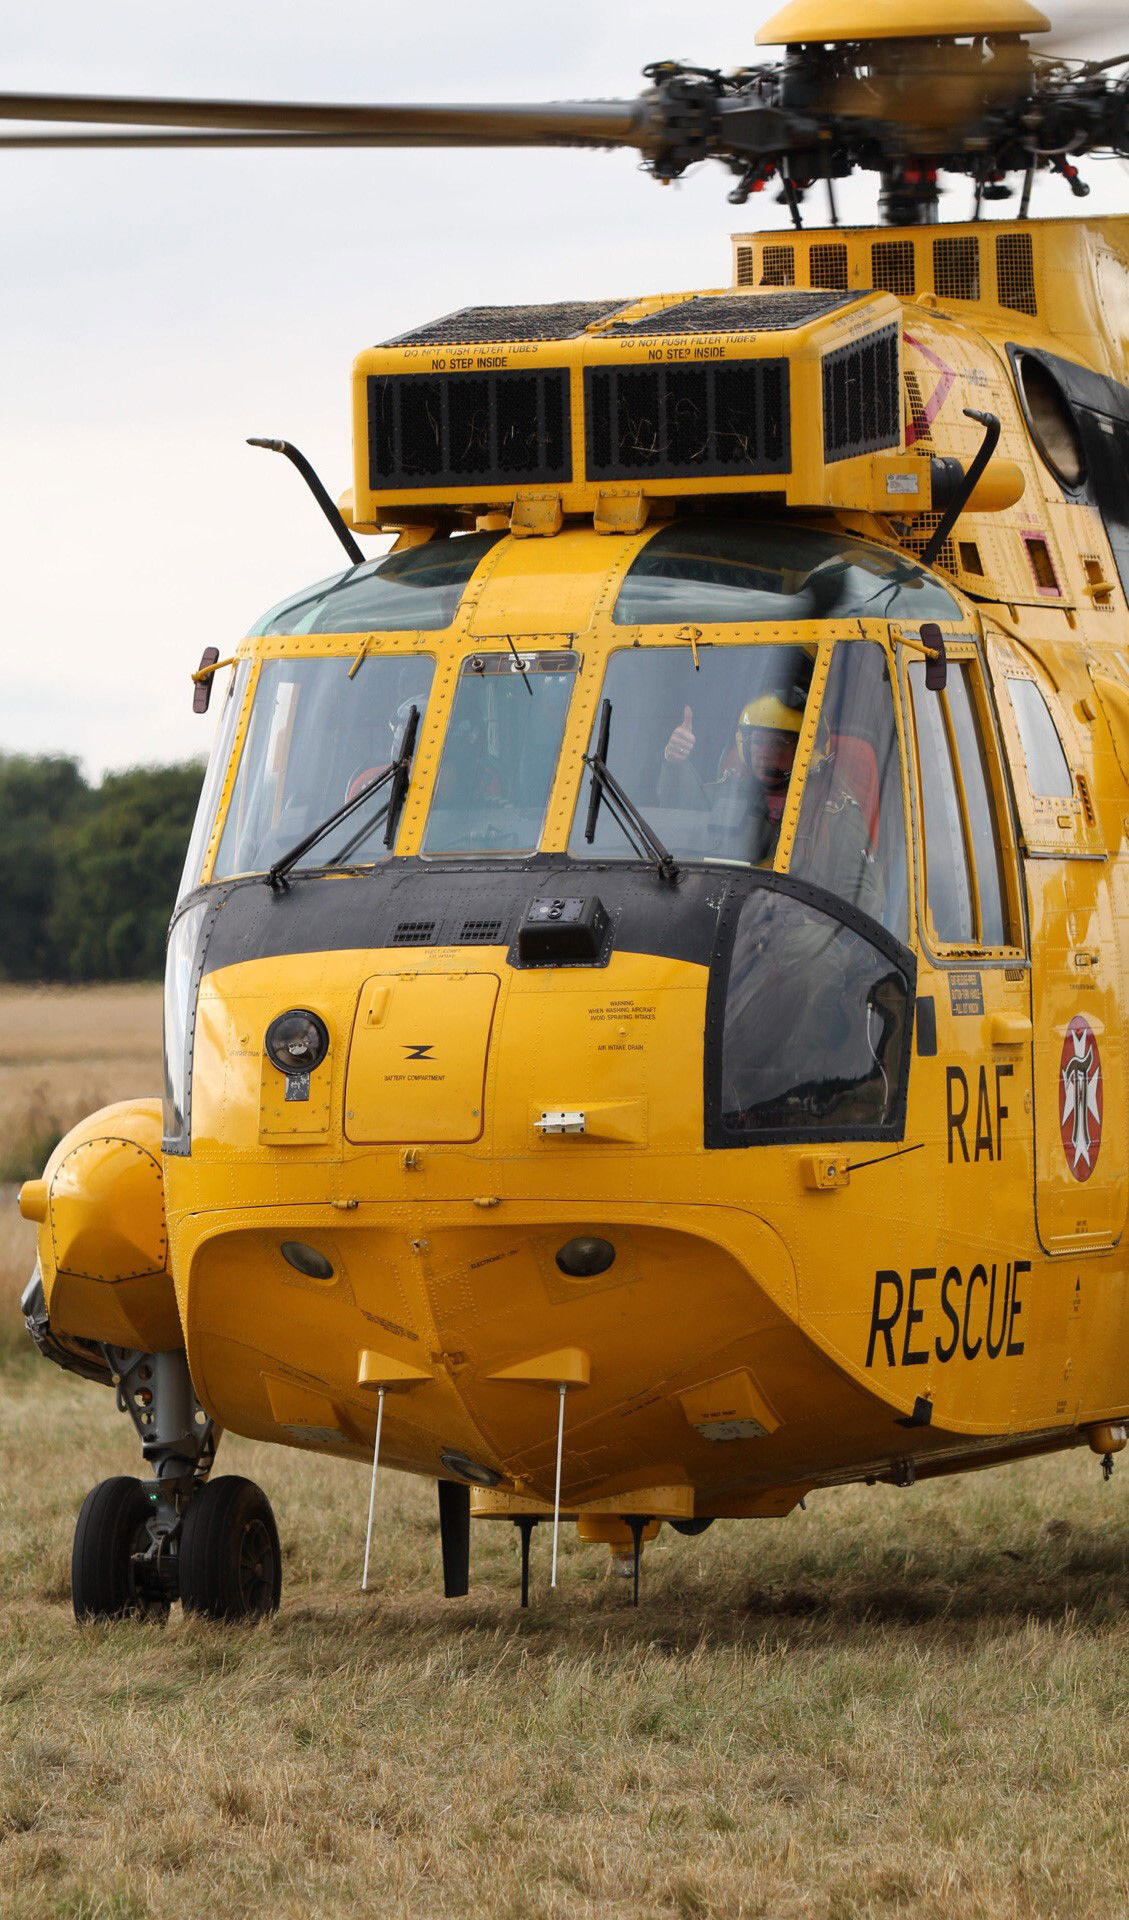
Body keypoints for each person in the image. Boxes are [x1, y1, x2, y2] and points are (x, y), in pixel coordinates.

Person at [660, 691, 882, 920]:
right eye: (758, 741)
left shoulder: (835, 813)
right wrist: (675, 763)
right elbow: (682, 814)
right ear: (744, 744)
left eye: (780, 743)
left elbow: (862, 906)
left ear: (807, 749)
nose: (765, 753)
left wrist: (797, 921)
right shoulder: (727, 794)